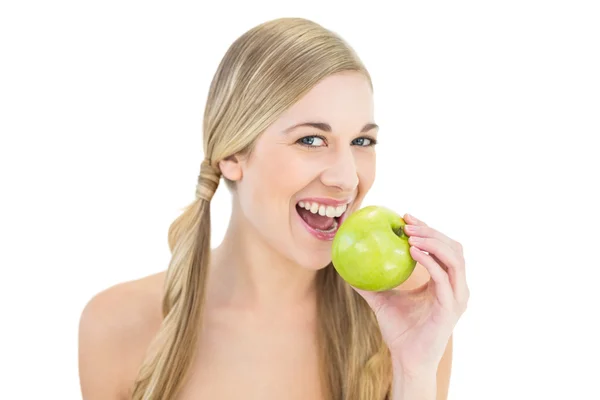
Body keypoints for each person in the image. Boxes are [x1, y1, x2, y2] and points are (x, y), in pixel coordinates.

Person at [78, 17, 469, 400]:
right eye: (312, 140)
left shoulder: (407, 322)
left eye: (362, 142)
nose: (348, 178)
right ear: (233, 154)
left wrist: (413, 372)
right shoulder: (117, 326)